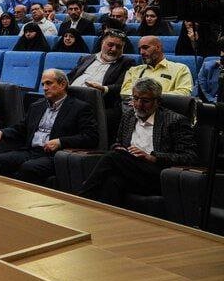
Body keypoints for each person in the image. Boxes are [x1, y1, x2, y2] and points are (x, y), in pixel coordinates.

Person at [79, 79, 197, 207]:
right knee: (112, 181)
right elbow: (117, 142)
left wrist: (151, 157)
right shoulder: (129, 116)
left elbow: (189, 157)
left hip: (158, 174)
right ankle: (103, 220)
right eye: (135, 99)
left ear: (157, 101)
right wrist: (119, 147)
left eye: (145, 101)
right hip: (131, 171)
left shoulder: (175, 121)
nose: (139, 105)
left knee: (112, 157)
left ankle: (81, 197)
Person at [0, 69, 99, 184]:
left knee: (29, 168)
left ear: (62, 84)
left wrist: (60, 142)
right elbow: (21, 128)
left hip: (55, 156)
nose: (44, 88)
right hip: (31, 152)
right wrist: (2, 132)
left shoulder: (80, 108)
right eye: (43, 84)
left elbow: (91, 137)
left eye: (49, 83)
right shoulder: (37, 106)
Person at [120, 37, 193, 96]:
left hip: (166, 109)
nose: (141, 52)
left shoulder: (180, 69)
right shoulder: (133, 70)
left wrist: (153, 97)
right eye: (140, 49)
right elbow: (124, 92)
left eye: (145, 48)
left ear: (158, 47)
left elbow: (184, 93)